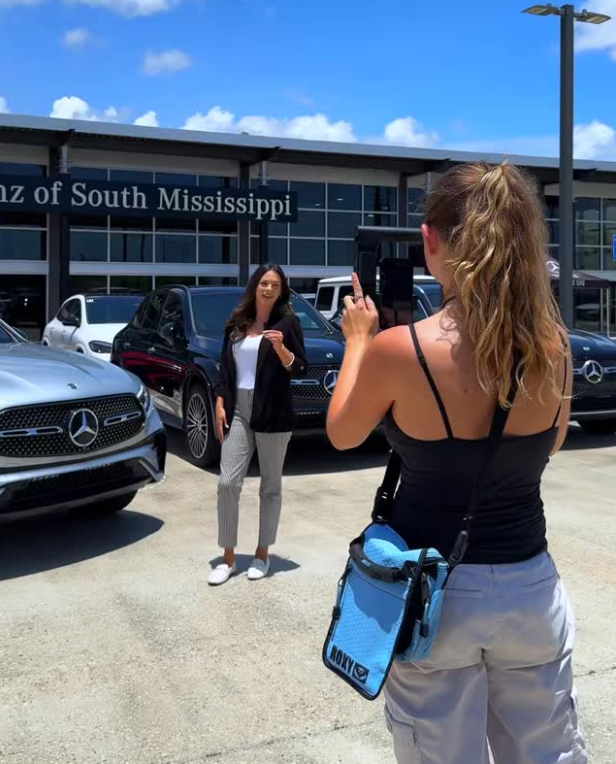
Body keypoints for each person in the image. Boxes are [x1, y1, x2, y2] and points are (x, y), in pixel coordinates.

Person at [326, 163, 583, 764]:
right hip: (529, 585)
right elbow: (550, 446)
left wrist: (358, 340)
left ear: (429, 242)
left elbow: (341, 434)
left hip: (431, 592)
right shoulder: (556, 345)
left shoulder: (401, 349)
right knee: (546, 751)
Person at [209, 264, 307, 586]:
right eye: (264, 283)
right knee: (227, 484)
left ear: (281, 291)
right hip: (238, 408)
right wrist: (221, 401)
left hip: (273, 412)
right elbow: (225, 369)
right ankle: (227, 558)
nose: (268, 289)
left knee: (270, 487)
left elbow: (302, 367)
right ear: (255, 286)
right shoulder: (237, 324)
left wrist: (282, 350)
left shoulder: (288, 323)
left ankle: (263, 554)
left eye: (275, 285)